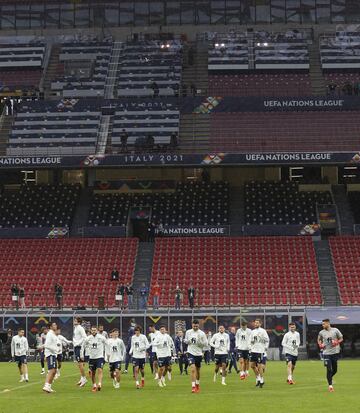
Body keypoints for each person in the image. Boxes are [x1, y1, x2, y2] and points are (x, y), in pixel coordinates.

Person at [317, 318, 343, 392]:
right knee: (329, 369)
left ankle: (329, 378)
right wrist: (320, 344)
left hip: (335, 352)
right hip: (326, 353)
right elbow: (319, 339)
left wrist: (337, 342)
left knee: (335, 370)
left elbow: (341, 338)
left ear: (328, 323)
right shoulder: (321, 332)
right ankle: (330, 386)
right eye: (322, 324)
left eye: (324, 324)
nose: (323, 325)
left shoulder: (335, 330)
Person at [184, 319, 207, 393]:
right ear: (192, 325)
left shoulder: (202, 333)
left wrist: (199, 342)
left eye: (196, 326)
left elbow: (206, 344)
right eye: (194, 326)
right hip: (190, 353)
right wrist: (188, 341)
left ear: (198, 325)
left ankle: (197, 384)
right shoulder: (188, 332)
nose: (195, 327)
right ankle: (193, 386)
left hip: (198, 354)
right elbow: (185, 340)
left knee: (198, 370)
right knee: (193, 369)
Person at [81, 325, 107, 392]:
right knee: (92, 373)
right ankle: (94, 385)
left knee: (100, 369)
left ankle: (99, 384)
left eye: (95, 330)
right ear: (90, 331)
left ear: (97, 330)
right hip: (92, 358)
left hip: (100, 357)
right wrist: (82, 354)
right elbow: (83, 346)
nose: (93, 331)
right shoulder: (88, 338)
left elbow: (107, 344)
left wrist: (106, 355)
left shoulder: (101, 337)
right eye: (92, 330)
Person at [250, 318, 269, 388]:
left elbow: (267, 339)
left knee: (259, 366)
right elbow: (251, 341)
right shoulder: (252, 332)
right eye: (255, 323)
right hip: (253, 350)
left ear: (260, 324)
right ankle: (258, 378)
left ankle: (261, 380)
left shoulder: (263, 331)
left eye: (257, 323)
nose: (256, 324)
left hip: (260, 350)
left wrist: (265, 347)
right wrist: (250, 348)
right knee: (252, 366)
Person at [42, 322, 59, 393]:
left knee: (54, 371)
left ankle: (49, 386)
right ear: (50, 327)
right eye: (54, 325)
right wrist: (55, 349)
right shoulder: (50, 334)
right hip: (51, 354)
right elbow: (46, 345)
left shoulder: (53, 334)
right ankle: (46, 385)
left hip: (54, 354)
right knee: (52, 370)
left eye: (56, 324)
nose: (56, 326)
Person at [73, 316, 88, 387]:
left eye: (75, 321)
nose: (74, 321)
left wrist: (79, 344)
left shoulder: (80, 328)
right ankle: (82, 378)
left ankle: (84, 379)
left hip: (79, 347)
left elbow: (85, 337)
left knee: (80, 364)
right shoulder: (76, 328)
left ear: (79, 322)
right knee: (79, 364)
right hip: (76, 347)